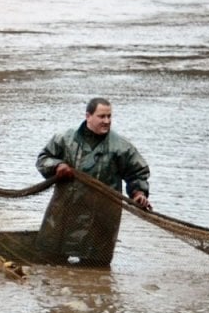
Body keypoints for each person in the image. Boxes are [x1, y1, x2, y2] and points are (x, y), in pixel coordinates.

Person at [35, 97, 151, 266]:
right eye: (102, 116)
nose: (107, 121)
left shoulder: (122, 147)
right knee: (50, 264)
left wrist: (138, 193)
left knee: (96, 270)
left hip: (101, 219)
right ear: (88, 116)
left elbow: (137, 173)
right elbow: (43, 159)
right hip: (63, 213)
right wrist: (57, 165)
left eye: (109, 116)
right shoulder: (65, 139)